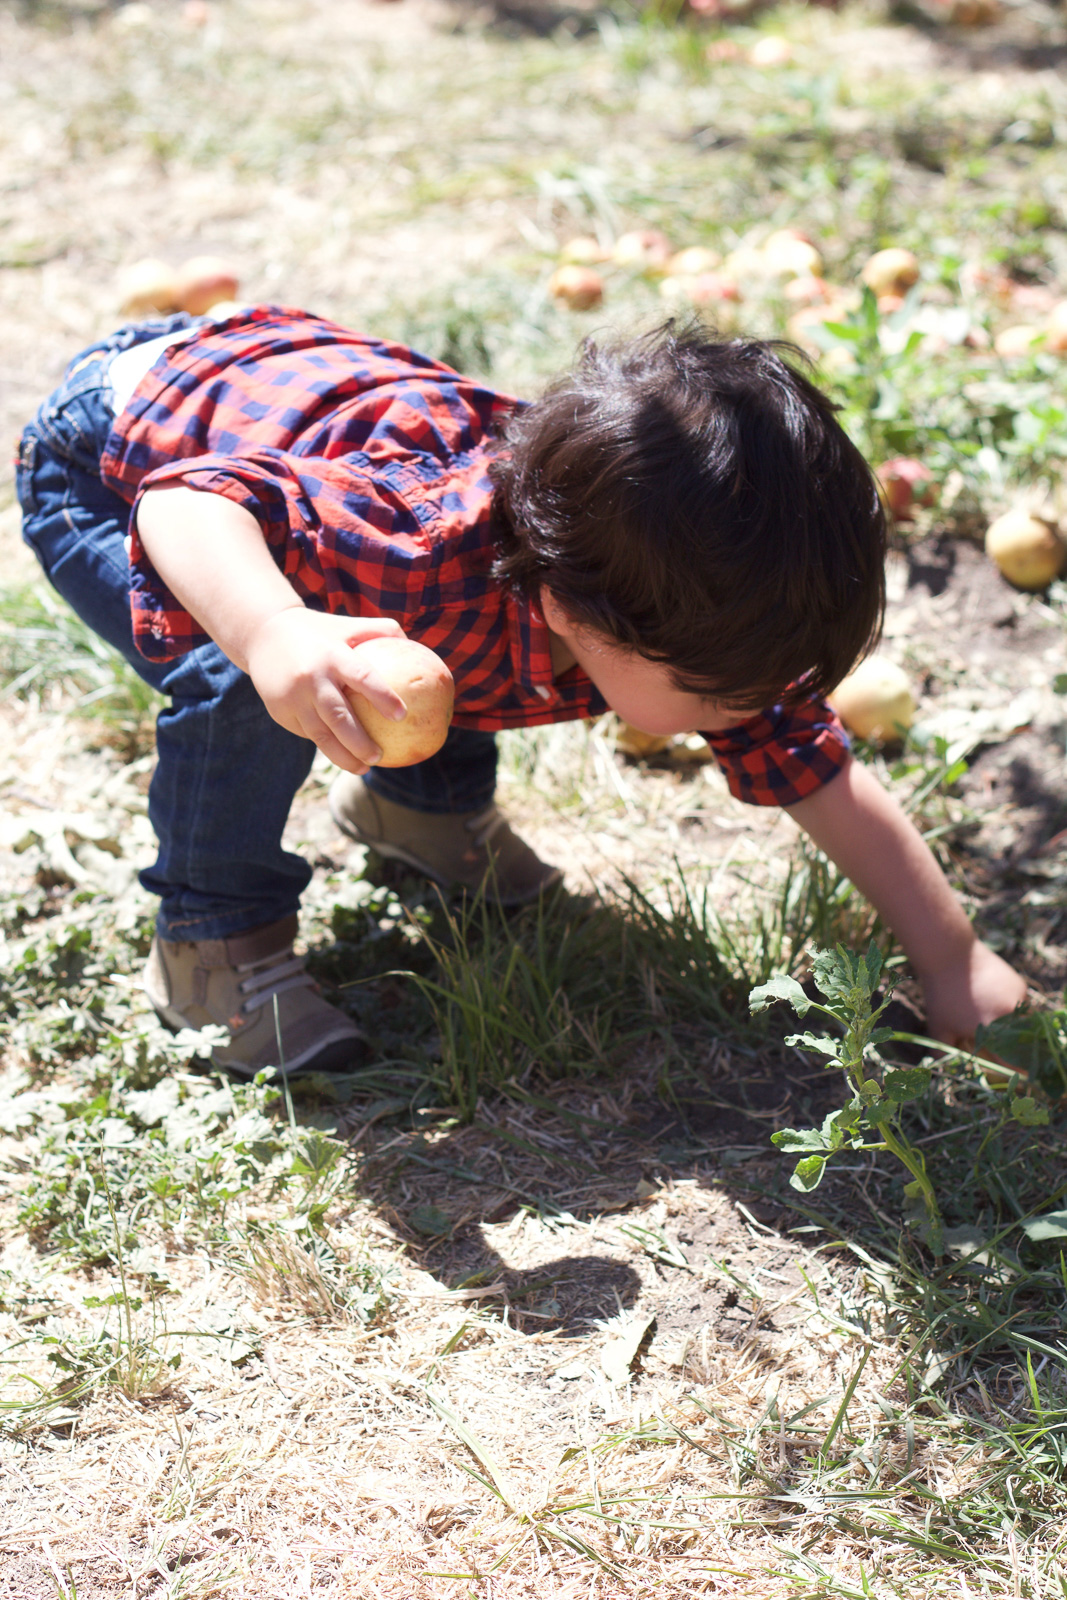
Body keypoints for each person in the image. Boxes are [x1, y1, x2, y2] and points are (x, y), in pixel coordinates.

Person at [16, 306, 1027, 1077]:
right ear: (573, 610)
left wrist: (951, 961)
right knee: (253, 675)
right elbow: (191, 501)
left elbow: (818, 774)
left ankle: (417, 811)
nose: (760, 704)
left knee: (411, 649)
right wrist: (273, 632)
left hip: (257, 393)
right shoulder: (407, 543)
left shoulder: (682, 599)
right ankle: (210, 950)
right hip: (118, 460)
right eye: (727, 692)